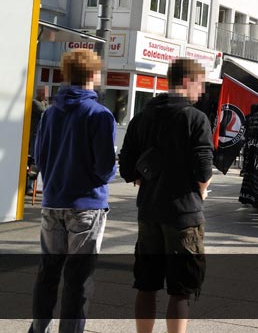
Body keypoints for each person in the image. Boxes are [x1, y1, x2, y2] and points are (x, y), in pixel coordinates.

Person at [119, 58, 213, 333]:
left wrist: (145, 178)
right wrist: (203, 190)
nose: (202, 91)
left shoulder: (142, 117)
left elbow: (126, 166)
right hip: (184, 215)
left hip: (149, 212)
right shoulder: (196, 119)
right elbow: (203, 169)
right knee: (180, 289)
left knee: (146, 285)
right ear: (186, 82)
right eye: (200, 84)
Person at [29, 50, 117, 333]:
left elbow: (40, 157)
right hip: (86, 205)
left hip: (53, 202)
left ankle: (38, 328)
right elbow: (105, 167)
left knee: (48, 272)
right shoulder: (100, 115)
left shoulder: (51, 112)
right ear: (93, 75)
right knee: (78, 278)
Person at [27, 87, 47, 195]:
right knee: (34, 161)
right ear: (39, 93)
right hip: (35, 135)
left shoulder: (43, 103)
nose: (45, 95)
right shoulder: (35, 103)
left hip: (42, 136)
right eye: (43, 93)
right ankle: (29, 187)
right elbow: (44, 111)